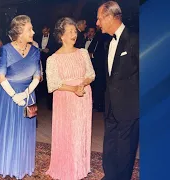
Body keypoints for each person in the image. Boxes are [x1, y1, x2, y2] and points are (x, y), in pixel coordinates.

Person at [0, 15, 40, 179]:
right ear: (19, 31)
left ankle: (22, 164)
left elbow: (37, 77)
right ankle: (6, 164)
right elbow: (0, 76)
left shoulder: (36, 51)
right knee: (8, 130)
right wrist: (14, 95)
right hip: (8, 96)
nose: (33, 31)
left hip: (29, 95)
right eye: (29, 29)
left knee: (25, 131)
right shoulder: (6, 50)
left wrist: (25, 93)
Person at [45, 17, 95, 180]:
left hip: (83, 97)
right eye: (70, 31)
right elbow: (53, 84)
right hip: (65, 98)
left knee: (80, 132)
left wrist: (82, 84)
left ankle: (80, 167)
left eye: (75, 31)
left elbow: (91, 74)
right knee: (67, 133)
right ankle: (65, 167)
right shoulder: (52, 59)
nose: (74, 34)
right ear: (61, 36)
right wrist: (74, 88)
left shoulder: (83, 53)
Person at [96, 1, 139, 180]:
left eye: (99, 19)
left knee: (125, 150)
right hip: (111, 106)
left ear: (110, 17)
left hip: (130, 107)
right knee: (110, 146)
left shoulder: (135, 40)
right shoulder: (107, 44)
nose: (97, 23)